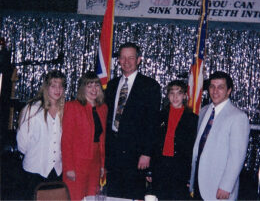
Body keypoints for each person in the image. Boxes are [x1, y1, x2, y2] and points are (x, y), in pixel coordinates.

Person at [105, 42, 161, 199]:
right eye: (122, 58)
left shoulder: (150, 86)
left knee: (133, 195)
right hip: (113, 153)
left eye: (131, 57)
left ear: (138, 60)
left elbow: (153, 123)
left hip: (136, 155)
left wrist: (146, 153)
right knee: (113, 195)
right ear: (118, 61)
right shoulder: (111, 85)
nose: (126, 61)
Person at [189, 71, 250, 200]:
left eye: (220, 87)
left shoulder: (238, 117)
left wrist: (227, 185)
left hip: (220, 187)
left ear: (229, 91)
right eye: (212, 86)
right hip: (198, 183)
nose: (215, 91)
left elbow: (237, 156)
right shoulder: (204, 111)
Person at [16, 70, 66, 200]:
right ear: (46, 87)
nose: (57, 89)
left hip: (56, 172)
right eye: (53, 85)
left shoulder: (65, 111)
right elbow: (22, 144)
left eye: (61, 85)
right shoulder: (32, 109)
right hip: (33, 171)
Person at [62, 71, 107, 200]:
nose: (94, 89)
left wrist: (102, 165)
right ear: (83, 88)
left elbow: (102, 140)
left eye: (96, 85)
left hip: (96, 162)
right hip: (77, 163)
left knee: (92, 197)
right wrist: (69, 167)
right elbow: (66, 140)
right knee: (76, 197)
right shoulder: (72, 107)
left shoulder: (103, 108)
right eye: (89, 85)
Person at [150, 80, 198, 200]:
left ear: (185, 96)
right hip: (160, 166)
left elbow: (192, 149)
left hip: (179, 168)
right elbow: (153, 143)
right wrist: (150, 170)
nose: (175, 97)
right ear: (167, 95)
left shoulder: (192, 119)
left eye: (179, 93)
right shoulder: (159, 115)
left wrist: (190, 176)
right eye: (172, 93)